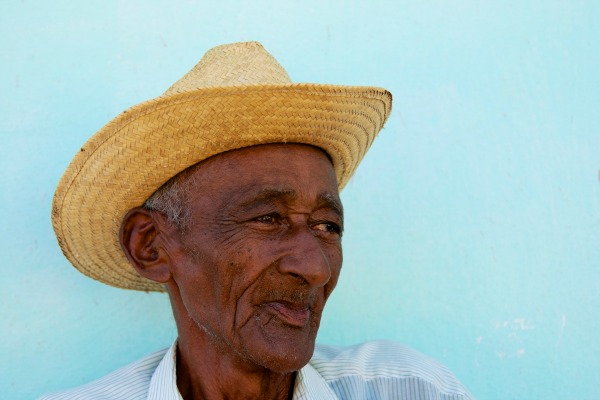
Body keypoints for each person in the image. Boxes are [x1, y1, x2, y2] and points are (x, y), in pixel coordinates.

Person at [43, 41, 474, 400]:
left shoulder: (415, 389)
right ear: (151, 245)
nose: (316, 268)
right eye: (268, 218)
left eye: (328, 226)